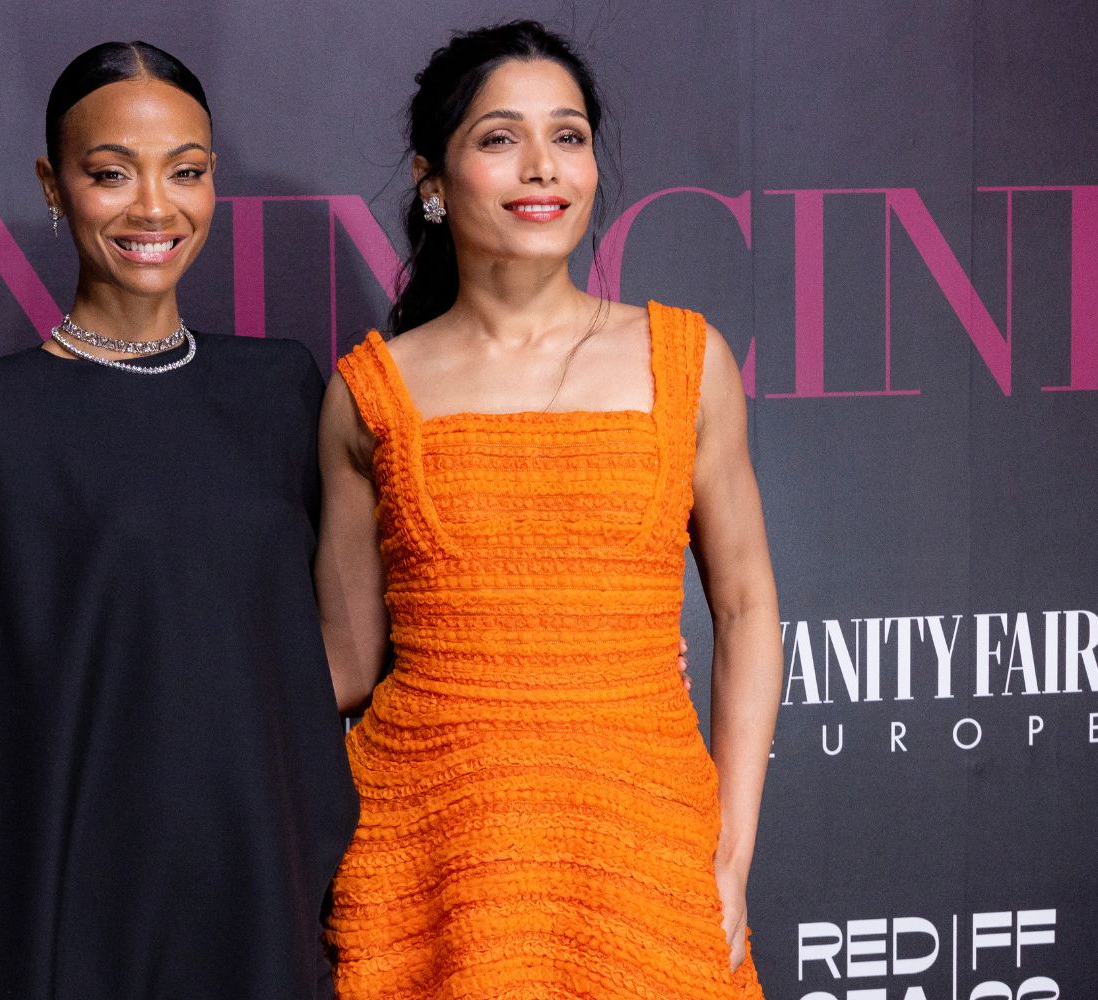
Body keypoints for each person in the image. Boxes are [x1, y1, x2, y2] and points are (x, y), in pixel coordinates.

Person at [0, 41, 357, 1000]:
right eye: (111, 172)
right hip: (76, 908)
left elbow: (331, 655)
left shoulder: (281, 388)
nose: (154, 207)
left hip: (258, 886)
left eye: (188, 172)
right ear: (53, 184)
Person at [315, 20, 782, 998]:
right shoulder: (371, 390)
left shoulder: (686, 363)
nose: (543, 168)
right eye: (499, 138)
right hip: (434, 855)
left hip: (646, 845)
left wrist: (731, 850)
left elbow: (744, 609)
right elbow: (344, 665)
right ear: (431, 180)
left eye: (568, 136)